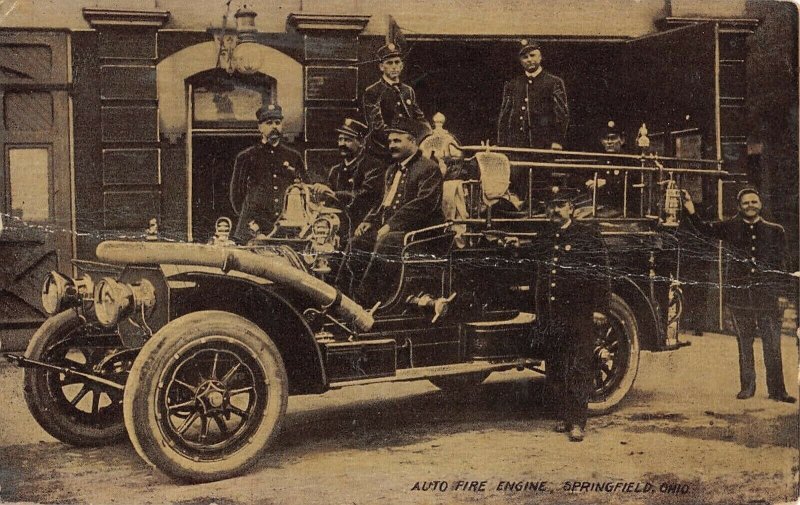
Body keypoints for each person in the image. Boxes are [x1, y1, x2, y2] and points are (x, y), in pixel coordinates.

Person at [682, 188, 795, 403]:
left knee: (772, 344)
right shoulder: (730, 226)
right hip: (740, 297)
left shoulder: (775, 231)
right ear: (739, 207)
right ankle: (747, 387)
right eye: (745, 203)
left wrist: (782, 295)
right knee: (744, 344)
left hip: (767, 297)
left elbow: (783, 266)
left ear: (760, 204)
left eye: (754, 201)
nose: (750, 206)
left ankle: (778, 390)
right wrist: (690, 209)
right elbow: (704, 230)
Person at [527, 186, 610, 442]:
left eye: (560, 205)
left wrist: (599, 308)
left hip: (578, 314)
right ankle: (565, 417)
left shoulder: (586, 237)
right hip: (554, 315)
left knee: (578, 367)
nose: (554, 210)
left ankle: (578, 422)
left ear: (571, 209)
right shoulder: (546, 236)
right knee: (557, 366)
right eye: (552, 205)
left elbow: (600, 273)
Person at [348, 117, 444, 305]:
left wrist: (390, 225)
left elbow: (423, 204)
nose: (391, 145)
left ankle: (366, 299)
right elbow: (385, 202)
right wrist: (370, 220)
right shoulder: (392, 170)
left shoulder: (429, 169)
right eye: (390, 141)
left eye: (397, 141)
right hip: (393, 231)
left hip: (421, 236)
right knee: (357, 241)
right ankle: (344, 294)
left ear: (412, 142)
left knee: (388, 240)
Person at [497, 40, 569, 200]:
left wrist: (557, 140)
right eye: (524, 57)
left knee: (542, 185)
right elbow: (505, 116)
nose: (529, 60)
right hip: (517, 146)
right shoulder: (513, 84)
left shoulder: (553, 82)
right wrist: (502, 144)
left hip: (542, 145)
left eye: (532, 55)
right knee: (518, 184)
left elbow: (562, 114)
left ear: (540, 56)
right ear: (520, 60)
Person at [229, 104, 305, 242]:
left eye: (277, 123)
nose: (274, 127)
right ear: (260, 127)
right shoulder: (246, 157)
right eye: (269, 123)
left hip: (285, 227)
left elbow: (304, 188)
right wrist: (251, 224)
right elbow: (237, 196)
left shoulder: (294, 156)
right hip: (253, 228)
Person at [310, 118, 386, 238]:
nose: (342, 144)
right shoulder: (335, 170)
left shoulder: (373, 166)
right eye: (340, 139)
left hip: (361, 225)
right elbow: (329, 194)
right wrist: (321, 191)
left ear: (361, 142)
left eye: (348, 140)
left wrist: (334, 194)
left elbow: (365, 196)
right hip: (336, 226)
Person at [363, 43, 431, 159]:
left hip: (407, 149)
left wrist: (427, 135)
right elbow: (376, 127)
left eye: (397, 62)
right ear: (381, 67)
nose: (394, 67)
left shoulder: (407, 91)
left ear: (402, 65)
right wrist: (401, 141)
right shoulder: (373, 91)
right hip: (383, 150)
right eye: (389, 63)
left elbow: (420, 118)